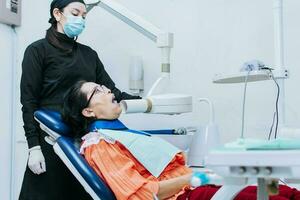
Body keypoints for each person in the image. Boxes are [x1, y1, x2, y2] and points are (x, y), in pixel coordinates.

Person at [62, 80, 300, 200]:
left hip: (195, 187)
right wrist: (198, 177)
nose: (107, 90)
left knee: (282, 189)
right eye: (97, 91)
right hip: (186, 196)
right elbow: (141, 196)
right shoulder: (99, 145)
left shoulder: (117, 134)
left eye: (103, 86)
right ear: (88, 112)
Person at [19, 0, 140, 199]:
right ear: (57, 14)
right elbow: (29, 102)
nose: (81, 19)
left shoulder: (88, 55)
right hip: (50, 140)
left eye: (84, 16)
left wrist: (146, 102)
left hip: (83, 142)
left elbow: (114, 92)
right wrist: (34, 146)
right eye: (75, 13)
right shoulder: (38, 51)